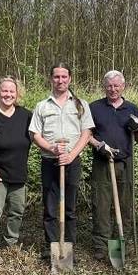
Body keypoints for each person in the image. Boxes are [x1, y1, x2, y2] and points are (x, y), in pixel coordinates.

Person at [30, 63, 95, 260]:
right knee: (50, 207)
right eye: (56, 77)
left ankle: (68, 247)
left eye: (64, 77)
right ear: (51, 79)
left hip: (72, 162)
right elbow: (35, 134)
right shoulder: (42, 106)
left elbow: (87, 133)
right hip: (50, 162)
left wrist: (72, 154)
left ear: (70, 79)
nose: (60, 80)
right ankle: (52, 246)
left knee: (70, 207)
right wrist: (51, 148)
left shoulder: (80, 104)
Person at [88, 70, 138, 263]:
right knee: (101, 204)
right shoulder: (94, 107)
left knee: (125, 205)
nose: (113, 89)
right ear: (105, 87)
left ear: (123, 86)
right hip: (102, 162)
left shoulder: (132, 108)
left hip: (125, 162)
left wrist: (137, 129)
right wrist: (99, 145)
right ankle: (101, 246)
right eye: (109, 86)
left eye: (116, 86)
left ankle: (121, 241)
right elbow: (87, 135)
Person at [0, 76, 32, 264]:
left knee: (17, 211)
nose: (8, 94)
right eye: (4, 91)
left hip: (19, 172)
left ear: (17, 93)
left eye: (12, 91)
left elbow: (39, 134)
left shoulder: (26, 115)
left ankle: (11, 242)